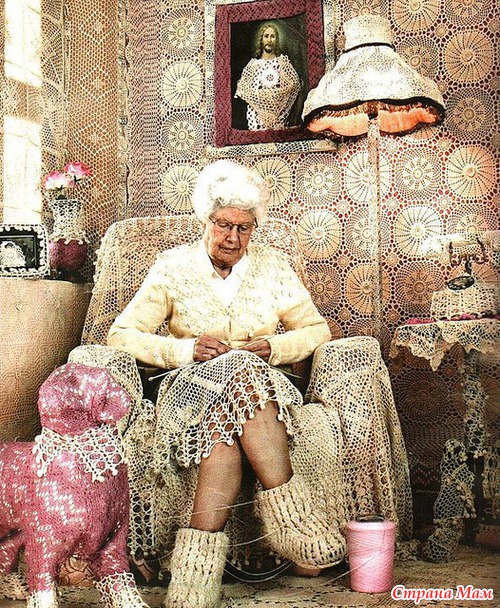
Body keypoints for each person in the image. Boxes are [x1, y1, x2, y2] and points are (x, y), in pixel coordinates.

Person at [107, 160, 347, 608]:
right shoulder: (173, 267)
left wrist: (274, 347)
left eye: (243, 228)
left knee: (229, 412)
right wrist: (184, 350)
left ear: (254, 228)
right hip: (190, 385)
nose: (232, 238)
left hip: (259, 387)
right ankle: (294, 521)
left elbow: (317, 330)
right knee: (236, 375)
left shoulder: (273, 267)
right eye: (223, 225)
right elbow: (121, 335)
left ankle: (194, 577)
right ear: (205, 219)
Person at [235, 22, 301, 131]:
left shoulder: (283, 64)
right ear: (261, 40)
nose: (269, 40)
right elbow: (243, 88)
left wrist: (276, 97)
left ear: (277, 40)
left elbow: (294, 85)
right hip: (257, 117)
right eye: (266, 36)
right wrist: (262, 99)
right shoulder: (253, 65)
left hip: (278, 116)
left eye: (272, 36)